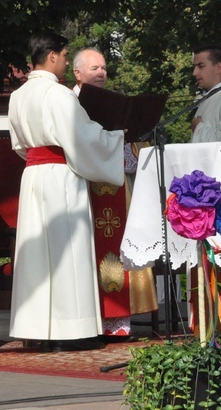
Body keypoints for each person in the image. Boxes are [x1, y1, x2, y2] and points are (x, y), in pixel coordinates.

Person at [8, 33, 126, 351]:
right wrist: (115, 137)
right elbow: (82, 138)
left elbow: (20, 145)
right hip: (61, 176)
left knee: (36, 257)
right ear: (52, 57)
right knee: (66, 253)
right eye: (63, 55)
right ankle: (69, 330)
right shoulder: (59, 95)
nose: (64, 60)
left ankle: (38, 330)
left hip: (32, 175)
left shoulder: (17, 96)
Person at [71, 48, 157, 340]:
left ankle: (119, 321)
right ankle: (89, 322)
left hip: (119, 190)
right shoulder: (69, 103)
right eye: (94, 68)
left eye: (104, 68)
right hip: (84, 190)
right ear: (77, 73)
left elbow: (131, 150)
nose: (101, 73)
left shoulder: (117, 104)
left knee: (120, 248)